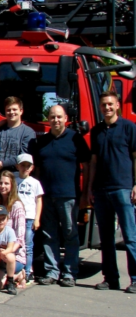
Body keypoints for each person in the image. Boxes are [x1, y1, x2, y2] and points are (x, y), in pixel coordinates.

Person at [35, 105, 91, 287]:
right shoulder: (42, 142)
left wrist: (86, 193)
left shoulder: (75, 139)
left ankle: (69, 273)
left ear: (65, 118)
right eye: (52, 117)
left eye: (59, 117)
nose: (56, 120)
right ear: (48, 119)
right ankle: (52, 271)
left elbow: (88, 166)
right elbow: (36, 170)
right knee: (49, 235)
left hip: (69, 196)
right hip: (46, 196)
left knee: (70, 234)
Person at [87, 91, 136, 293]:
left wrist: (135, 184)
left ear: (117, 106)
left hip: (123, 188)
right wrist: (89, 187)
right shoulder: (96, 131)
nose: (106, 108)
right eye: (103, 105)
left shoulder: (129, 127)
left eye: (110, 104)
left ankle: (134, 279)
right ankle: (111, 279)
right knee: (106, 239)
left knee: (130, 237)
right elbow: (94, 162)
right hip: (101, 189)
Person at [14, 153, 44, 284]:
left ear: (32, 168)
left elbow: (39, 201)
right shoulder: (14, 180)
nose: (25, 168)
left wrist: (37, 218)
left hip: (28, 217)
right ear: (17, 166)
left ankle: (28, 271)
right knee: (16, 244)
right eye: (22, 165)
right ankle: (17, 270)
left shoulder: (35, 183)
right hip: (15, 217)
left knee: (28, 245)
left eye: (28, 166)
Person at [0, 204, 24, 295]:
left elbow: (10, 248)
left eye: (3, 218)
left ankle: (11, 280)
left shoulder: (9, 231)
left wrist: (3, 253)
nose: (1, 221)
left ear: (7, 219)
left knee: (10, 256)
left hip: (5, 257)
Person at [0, 97, 36, 172]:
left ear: (21, 111)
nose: (11, 112)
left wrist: (2, 163)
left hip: (17, 175)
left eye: (14, 109)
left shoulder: (28, 132)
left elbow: (24, 156)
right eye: (8, 110)